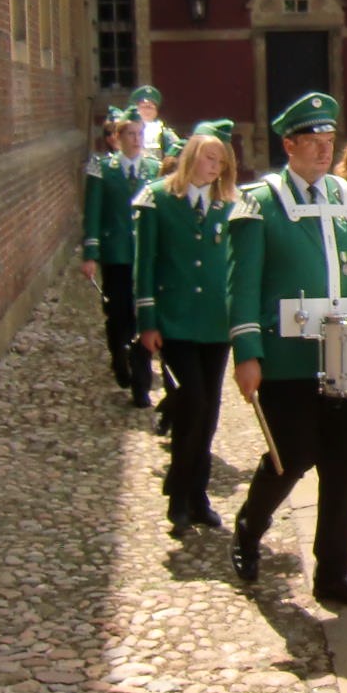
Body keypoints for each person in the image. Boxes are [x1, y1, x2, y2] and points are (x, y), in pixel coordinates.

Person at [226, 92, 347, 609]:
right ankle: (250, 525)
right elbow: (243, 284)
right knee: (290, 456)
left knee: (343, 466)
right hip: (287, 357)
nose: (324, 150)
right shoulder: (261, 202)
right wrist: (246, 352)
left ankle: (335, 573)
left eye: (329, 141)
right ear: (289, 145)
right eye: (313, 141)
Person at [135, 120, 238, 534]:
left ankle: (197, 495)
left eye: (221, 161)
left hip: (215, 323)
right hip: (175, 320)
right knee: (191, 401)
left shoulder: (228, 204)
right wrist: (147, 320)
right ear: (191, 156)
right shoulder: (159, 198)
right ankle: (178, 494)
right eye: (209, 158)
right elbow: (145, 262)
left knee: (209, 411)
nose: (215, 166)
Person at [82, 109, 161, 405]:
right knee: (118, 314)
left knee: (144, 315)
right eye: (130, 134)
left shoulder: (153, 169)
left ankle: (141, 384)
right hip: (116, 254)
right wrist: (91, 253)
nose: (136, 140)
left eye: (140, 134)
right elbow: (93, 212)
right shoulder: (103, 168)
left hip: (145, 254)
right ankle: (119, 356)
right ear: (118, 137)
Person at [130, 86, 182, 164]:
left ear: (156, 111)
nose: (147, 111)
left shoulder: (163, 132)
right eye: (143, 107)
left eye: (150, 107)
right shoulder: (128, 130)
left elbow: (176, 152)